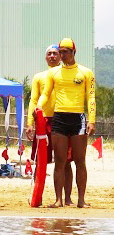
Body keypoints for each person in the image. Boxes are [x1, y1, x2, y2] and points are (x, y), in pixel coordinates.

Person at [36, 38, 96, 208]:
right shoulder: (53, 73)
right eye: (60, 51)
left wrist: (91, 120)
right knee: (60, 160)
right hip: (59, 118)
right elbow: (46, 93)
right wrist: (39, 107)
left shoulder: (85, 72)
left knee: (80, 160)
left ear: (73, 52)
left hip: (78, 118)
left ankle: (81, 200)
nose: (61, 55)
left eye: (65, 52)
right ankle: (58, 199)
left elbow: (91, 97)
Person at [26, 44, 75, 206]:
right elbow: (34, 100)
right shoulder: (39, 77)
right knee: (40, 161)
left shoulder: (66, 75)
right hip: (43, 121)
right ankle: (36, 196)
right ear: (45, 57)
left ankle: (66, 198)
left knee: (65, 161)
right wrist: (30, 123)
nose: (53, 56)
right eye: (49, 54)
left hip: (63, 119)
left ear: (61, 56)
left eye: (55, 53)